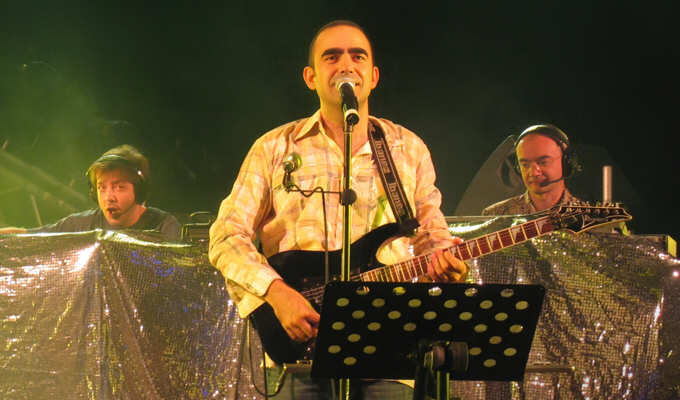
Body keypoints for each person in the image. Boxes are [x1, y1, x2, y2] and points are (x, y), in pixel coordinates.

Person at [209, 20, 467, 399]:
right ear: (310, 77)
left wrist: (448, 263)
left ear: (373, 76)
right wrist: (277, 294)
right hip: (301, 353)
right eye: (331, 57)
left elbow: (432, 234)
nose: (346, 64)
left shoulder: (407, 149)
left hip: (389, 350)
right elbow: (226, 236)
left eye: (357, 56)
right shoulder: (273, 148)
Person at [0, 144, 181, 241]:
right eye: (102, 187)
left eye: (119, 187)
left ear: (139, 191)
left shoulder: (164, 226)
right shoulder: (80, 225)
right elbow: (27, 237)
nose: (109, 197)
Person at [482, 124, 582, 215]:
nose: (533, 173)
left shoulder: (588, 218)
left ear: (566, 163)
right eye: (525, 165)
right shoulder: (494, 215)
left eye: (543, 162)